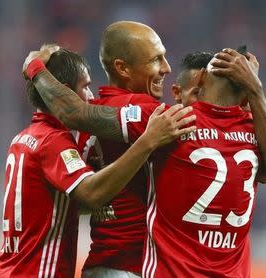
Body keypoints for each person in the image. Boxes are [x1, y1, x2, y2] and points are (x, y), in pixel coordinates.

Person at [23, 44, 266, 277]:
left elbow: (74, 112)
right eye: (156, 59)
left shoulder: (171, 121)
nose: (165, 68)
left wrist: (34, 66)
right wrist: (256, 91)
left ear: (201, 80)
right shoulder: (253, 130)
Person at [0, 46, 195, 278]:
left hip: (10, 269)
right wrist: (148, 141)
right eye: (86, 86)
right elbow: (91, 193)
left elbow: (61, 208)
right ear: (65, 92)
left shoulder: (24, 138)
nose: (91, 96)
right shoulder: (53, 142)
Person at [78, 21, 172, 278]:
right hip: (133, 265)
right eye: (156, 59)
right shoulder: (146, 110)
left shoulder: (90, 119)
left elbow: (80, 203)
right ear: (123, 68)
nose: (167, 68)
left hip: (100, 264)